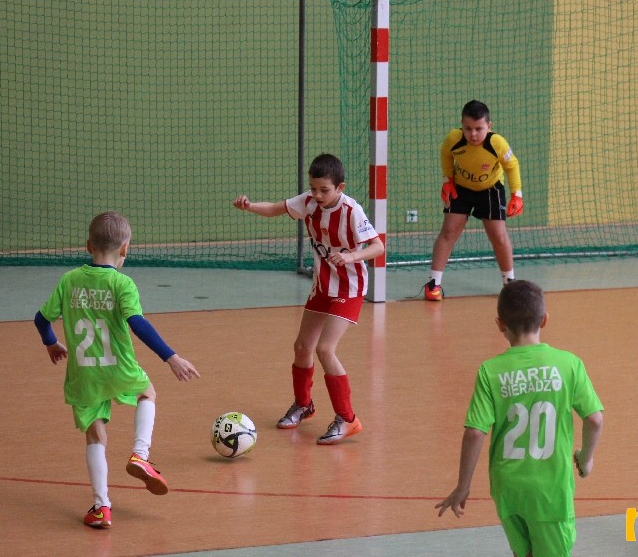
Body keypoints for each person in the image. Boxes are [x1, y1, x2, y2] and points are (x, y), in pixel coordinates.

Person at [33, 211, 201, 528]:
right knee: (147, 393)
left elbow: (41, 319)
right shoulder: (121, 283)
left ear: (88, 246)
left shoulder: (69, 280)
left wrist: (52, 343)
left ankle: (101, 507)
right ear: (125, 249)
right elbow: (138, 324)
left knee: (95, 435)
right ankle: (140, 454)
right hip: (119, 367)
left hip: (83, 374)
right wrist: (171, 357)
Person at [436, 280, 604, 557]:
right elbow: (595, 420)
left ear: (500, 324)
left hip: (507, 488)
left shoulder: (490, 371)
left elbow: (475, 432)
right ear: (545, 319)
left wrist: (463, 486)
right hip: (550, 490)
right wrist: (585, 458)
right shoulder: (568, 364)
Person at [232, 153, 384, 445]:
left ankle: (348, 419)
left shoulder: (352, 211)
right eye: (313, 188)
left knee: (325, 349)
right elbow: (274, 209)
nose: (317, 195)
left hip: (349, 288)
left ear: (340, 188)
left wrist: (351, 256)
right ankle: (303, 405)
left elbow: (378, 247)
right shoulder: (309, 202)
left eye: (324, 190)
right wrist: (249, 206)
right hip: (323, 284)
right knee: (302, 347)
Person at [423, 100, 524, 301]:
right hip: (460, 188)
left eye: (479, 129)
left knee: (498, 235)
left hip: (490, 189)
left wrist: (517, 195)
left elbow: (512, 166)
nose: (473, 134)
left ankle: (509, 283)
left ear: (489, 126)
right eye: (468, 129)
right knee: (449, 231)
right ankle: (433, 283)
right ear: (462, 125)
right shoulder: (453, 139)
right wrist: (447, 181)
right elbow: (446, 154)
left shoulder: (497, 143)